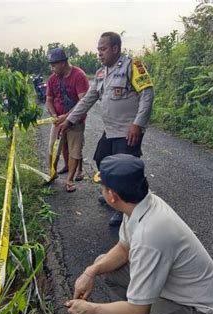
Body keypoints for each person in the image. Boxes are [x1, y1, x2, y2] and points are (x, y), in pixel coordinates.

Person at [65, 154, 213, 314]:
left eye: (102, 187)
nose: (101, 191)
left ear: (112, 195)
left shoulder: (149, 234)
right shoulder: (140, 204)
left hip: (198, 312)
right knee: (103, 265)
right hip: (174, 291)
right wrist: (90, 272)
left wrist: (90, 308)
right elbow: (124, 248)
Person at [59, 32, 154, 225]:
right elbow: (87, 99)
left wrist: (138, 124)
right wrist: (69, 120)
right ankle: (112, 192)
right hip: (110, 129)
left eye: (103, 49)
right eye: (98, 50)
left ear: (115, 49)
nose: (99, 53)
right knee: (101, 160)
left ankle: (125, 208)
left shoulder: (132, 66)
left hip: (128, 129)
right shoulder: (102, 72)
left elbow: (147, 94)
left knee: (124, 169)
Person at [46, 48, 90, 192]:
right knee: (54, 148)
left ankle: (70, 179)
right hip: (58, 121)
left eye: (54, 64)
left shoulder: (79, 76)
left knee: (75, 151)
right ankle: (52, 173)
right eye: (51, 64)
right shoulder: (52, 79)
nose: (52, 68)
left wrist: (68, 117)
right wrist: (53, 115)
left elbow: (83, 101)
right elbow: (49, 100)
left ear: (64, 63)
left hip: (76, 121)